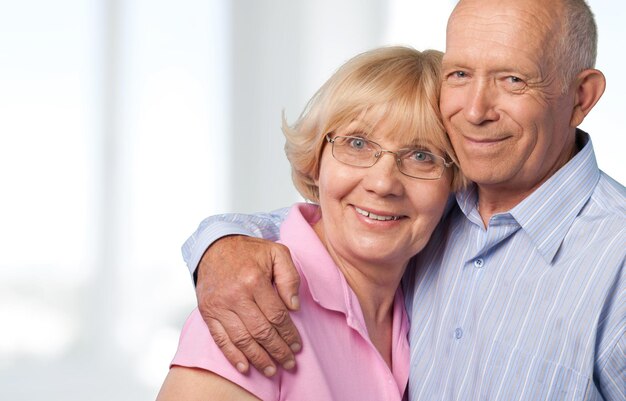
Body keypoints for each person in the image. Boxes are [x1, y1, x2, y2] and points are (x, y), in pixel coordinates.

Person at [184, 0, 625, 399]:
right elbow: (330, 219)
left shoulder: (613, 260)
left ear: (581, 96)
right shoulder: (253, 305)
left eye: (513, 79)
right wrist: (220, 246)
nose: (475, 111)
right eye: (460, 74)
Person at [158, 46, 465, 400]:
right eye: (358, 143)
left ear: (454, 184)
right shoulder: (250, 310)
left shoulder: (424, 308)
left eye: (421, 156)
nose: (382, 183)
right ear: (316, 162)